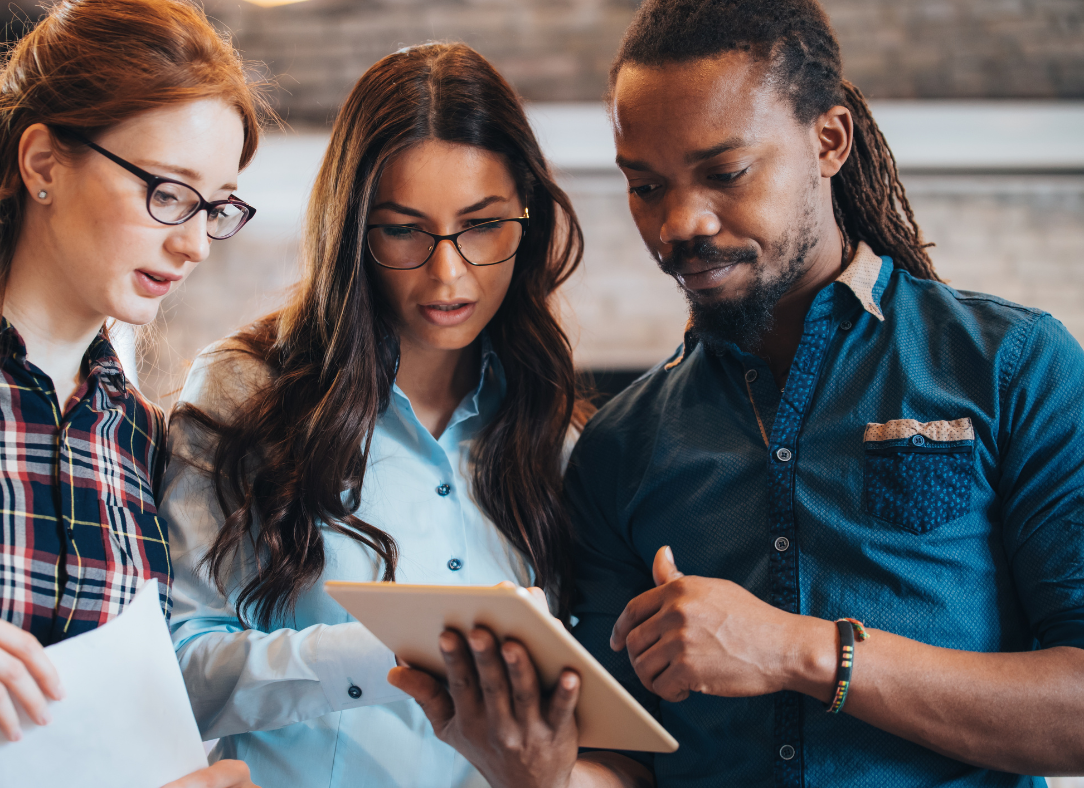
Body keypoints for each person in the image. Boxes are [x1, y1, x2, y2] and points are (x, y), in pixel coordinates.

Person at [391, 0, 1084, 786]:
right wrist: (540, 772)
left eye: (725, 173)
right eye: (646, 185)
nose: (678, 222)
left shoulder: (1014, 368)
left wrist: (798, 651)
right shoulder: (617, 450)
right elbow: (629, 762)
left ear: (829, 141)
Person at [159, 42, 593, 788]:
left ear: (528, 218)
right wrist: (386, 648)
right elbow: (179, 669)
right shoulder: (244, 391)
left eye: (483, 225)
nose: (447, 273)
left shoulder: (554, 433)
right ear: (352, 229)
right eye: (403, 230)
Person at [0, 1, 268, 786]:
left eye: (215, 207)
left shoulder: (149, 441)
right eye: (167, 192)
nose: (192, 244)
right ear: (44, 163)